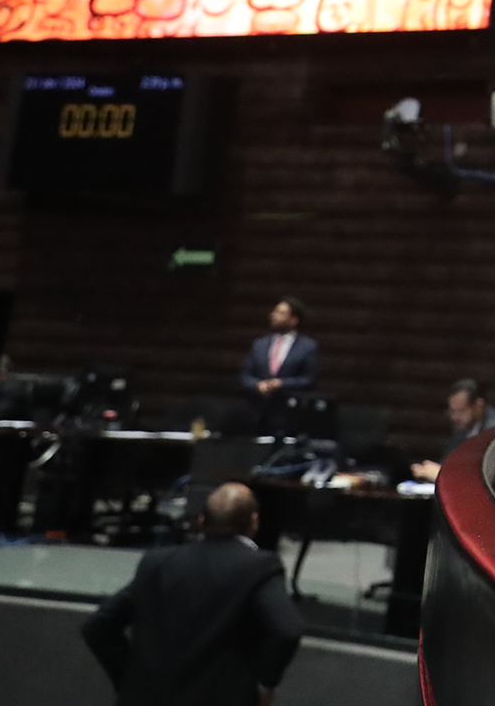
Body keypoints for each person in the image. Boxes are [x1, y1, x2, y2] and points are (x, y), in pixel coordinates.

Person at [82, 481, 304, 706]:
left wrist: (130, 682)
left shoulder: (158, 563)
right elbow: (287, 630)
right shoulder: (259, 567)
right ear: (254, 522)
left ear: (201, 520)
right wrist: (265, 684)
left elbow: (98, 626)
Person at [237, 298, 319, 433]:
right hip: (257, 411)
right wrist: (257, 385)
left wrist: (282, 384)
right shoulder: (259, 344)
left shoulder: (307, 347)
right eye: (274, 312)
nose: (274, 316)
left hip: (288, 412)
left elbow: (309, 379)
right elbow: (245, 375)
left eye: (281, 313)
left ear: (293, 320)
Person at [409, 377, 495, 481]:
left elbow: (485, 478)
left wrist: (442, 474)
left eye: (460, 411)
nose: (454, 417)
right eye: (452, 411)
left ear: (478, 405)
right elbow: (449, 461)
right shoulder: (462, 429)